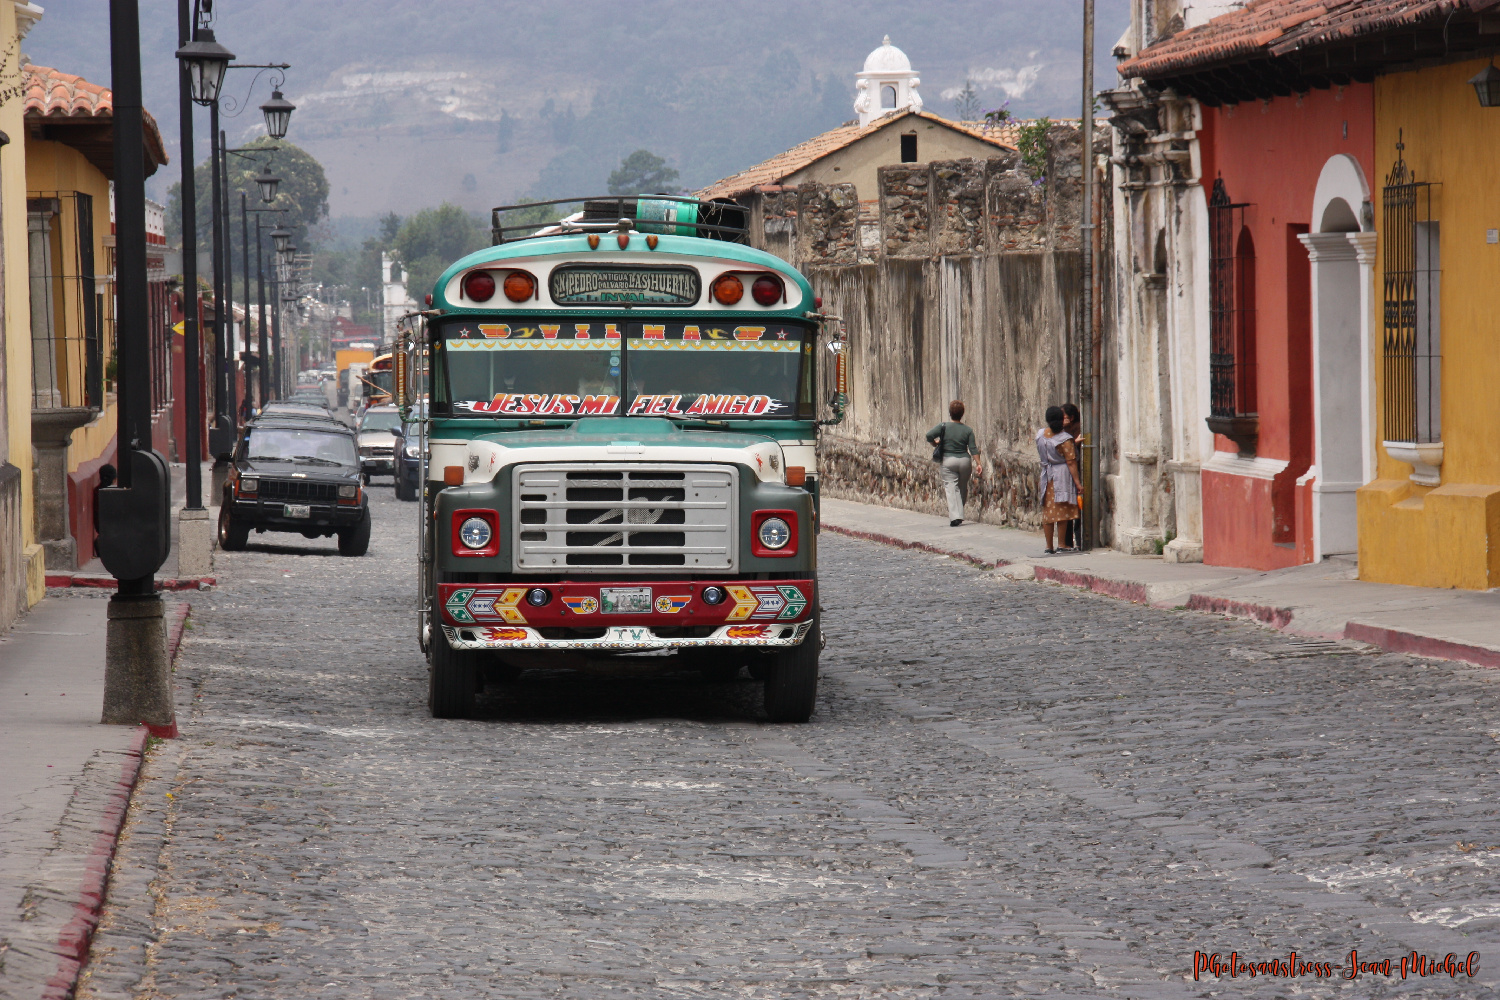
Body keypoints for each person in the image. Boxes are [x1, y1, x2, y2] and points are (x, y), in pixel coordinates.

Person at [926, 400, 982, 527]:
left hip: (948, 461)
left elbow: (929, 435)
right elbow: (973, 448)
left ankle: (956, 516)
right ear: (962, 414)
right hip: (965, 461)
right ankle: (959, 513)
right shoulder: (968, 430)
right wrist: (978, 463)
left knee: (951, 487)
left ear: (950, 413)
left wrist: (935, 443)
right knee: (962, 487)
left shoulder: (943, 426)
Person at [1036, 405, 1081, 554]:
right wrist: (1078, 483)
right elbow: (1071, 462)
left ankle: (1048, 546)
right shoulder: (1065, 439)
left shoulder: (1040, 435)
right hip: (1061, 474)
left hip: (1046, 474)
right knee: (1062, 509)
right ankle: (1062, 544)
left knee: (1048, 511)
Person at [1060, 402, 1083, 550]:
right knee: (1067, 508)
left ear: (1071, 417)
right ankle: (1067, 542)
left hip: (1074, 472)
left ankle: (1079, 540)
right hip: (1065, 475)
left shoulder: (1076, 429)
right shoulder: (1060, 431)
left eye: (1064, 417)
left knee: (1077, 509)